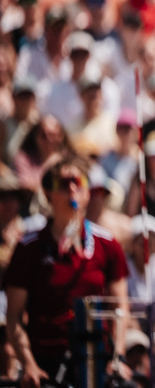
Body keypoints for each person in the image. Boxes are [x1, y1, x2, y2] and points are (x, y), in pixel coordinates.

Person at [3, 154, 131, 387]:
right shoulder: (28, 248)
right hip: (46, 362)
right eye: (63, 184)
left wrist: (118, 357)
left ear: (88, 192)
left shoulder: (107, 244)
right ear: (48, 193)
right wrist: (29, 364)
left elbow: (120, 306)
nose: (72, 189)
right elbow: (13, 315)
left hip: (97, 356)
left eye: (78, 183)